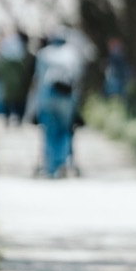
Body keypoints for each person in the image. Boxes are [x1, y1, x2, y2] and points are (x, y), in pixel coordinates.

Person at [28, 32, 86, 177]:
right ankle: (62, 163)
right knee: (64, 131)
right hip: (66, 99)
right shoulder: (72, 54)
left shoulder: (43, 55)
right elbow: (78, 78)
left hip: (47, 98)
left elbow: (38, 79)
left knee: (49, 131)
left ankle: (50, 166)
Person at [0, 30, 35, 124]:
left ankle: (7, 119)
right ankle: (18, 120)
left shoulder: (5, 56)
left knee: (7, 100)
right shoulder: (24, 57)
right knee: (19, 102)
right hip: (20, 85)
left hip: (8, 85)